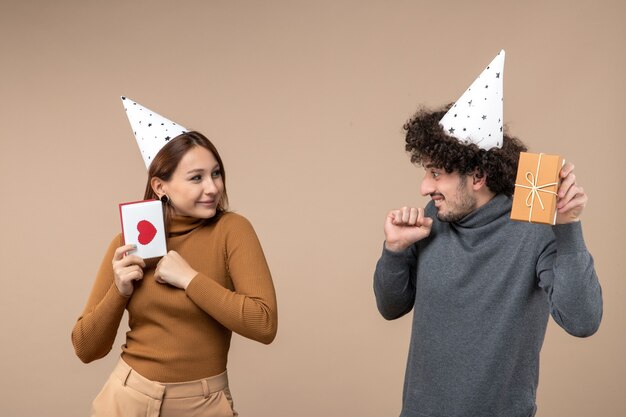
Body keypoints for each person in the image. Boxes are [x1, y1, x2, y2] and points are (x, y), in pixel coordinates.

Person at [373, 104, 602, 417]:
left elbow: (582, 321)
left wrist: (568, 227)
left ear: (478, 176)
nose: (424, 187)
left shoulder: (535, 231)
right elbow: (391, 307)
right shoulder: (433, 218)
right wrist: (395, 250)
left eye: (436, 174)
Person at [72, 128, 278, 417]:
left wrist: (189, 279)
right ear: (160, 187)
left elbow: (264, 324)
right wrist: (118, 292)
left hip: (204, 403)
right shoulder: (129, 241)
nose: (213, 188)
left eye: (216, 174)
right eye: (197, 177)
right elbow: (85, 348)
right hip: (127, 399)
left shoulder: (232, 230)